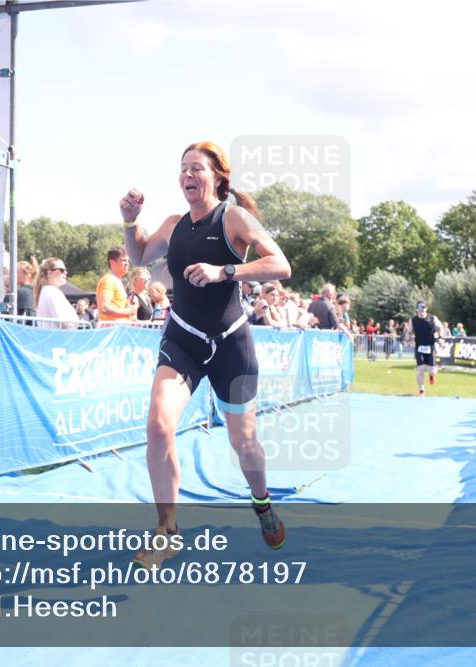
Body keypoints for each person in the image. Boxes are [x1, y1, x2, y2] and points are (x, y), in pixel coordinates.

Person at [119, 140, 291, 567]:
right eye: (182, 169)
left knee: (244, 443)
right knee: (159, 424)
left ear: (217, 176)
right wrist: (129, 220)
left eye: (196, 168)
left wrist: (226, 271)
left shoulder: (233, 218)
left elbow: (280, 265)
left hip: (231, 342)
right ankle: (167, 531)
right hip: (184, 338)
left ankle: (262, 501)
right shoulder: (174, 223)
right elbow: (139, 253)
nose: (187, 176)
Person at [96, 246, 138, 324]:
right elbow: (104, 308)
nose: (127, 264)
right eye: (124, 260)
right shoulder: (108, 280)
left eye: (128, 261)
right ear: (112, 262)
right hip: (112, 331)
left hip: (119, 330)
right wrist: (128, 311)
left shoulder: (117, 280)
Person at [34, 258, 79, 329]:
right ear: (49, 272)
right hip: (59, 337)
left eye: (65, 270)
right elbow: (64, 322)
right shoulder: (52, 292)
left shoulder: (45, 290)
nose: (65, 272)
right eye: (61, 270)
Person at [411, 302, 442, 396]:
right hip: (419, 346)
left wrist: (440, 338)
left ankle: (432, 375)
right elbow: (409, 331)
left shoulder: (432, 318)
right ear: (417, 309)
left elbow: (440, 328)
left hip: (430, 346)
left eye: (423, 307)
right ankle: (421, 390)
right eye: (420, 307)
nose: (422, 309)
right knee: (420, 369)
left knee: (431, 370)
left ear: (426, 308)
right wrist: (408, 338)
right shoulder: (413, 320)